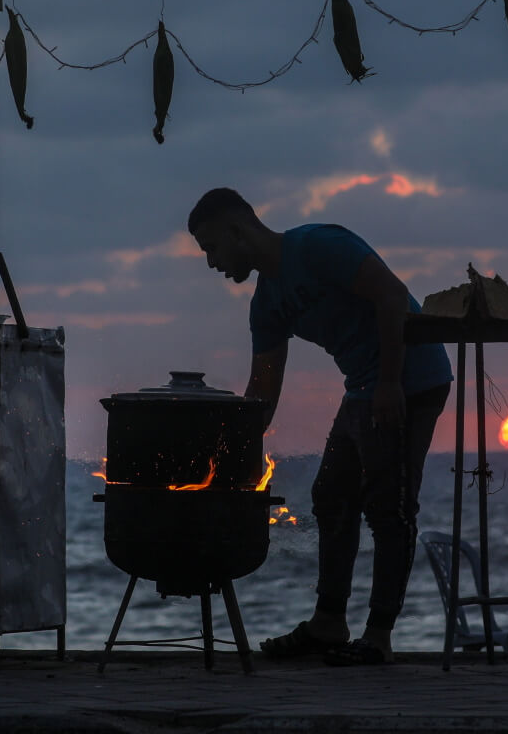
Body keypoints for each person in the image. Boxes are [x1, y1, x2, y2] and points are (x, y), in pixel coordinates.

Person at [187, 187, 453, 666]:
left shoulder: (318, 246)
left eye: (211, 248)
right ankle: (329, 622)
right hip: (363, 388)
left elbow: (392, 295)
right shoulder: (266, 303)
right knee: (331, 496)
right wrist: (227, 458)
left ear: (237, 230)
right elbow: (262, 391)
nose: (212, 263)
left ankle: (378, 637)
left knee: (389, 507)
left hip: (411, 378)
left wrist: (391, 381)